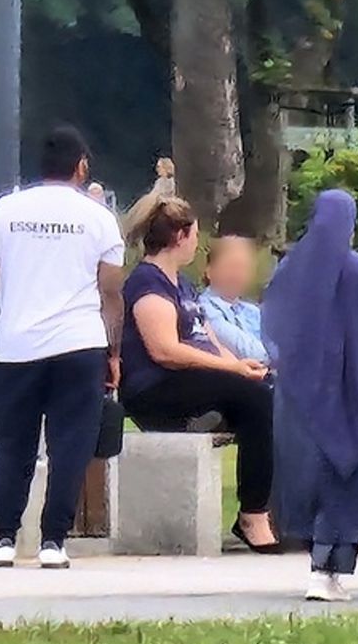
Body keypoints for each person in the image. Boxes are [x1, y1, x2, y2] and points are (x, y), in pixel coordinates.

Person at [0, 126, 124, 570]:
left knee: (14, 445)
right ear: (81, 167)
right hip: (79, 344)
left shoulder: (8, 209)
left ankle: (2, 539)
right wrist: (113, 354)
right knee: (69, 446)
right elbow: (110, 289)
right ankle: (54, 542)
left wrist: (15, 282)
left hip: (18, 346)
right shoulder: (97, 217)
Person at [262, 190, 358, 600]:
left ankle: (317, 563)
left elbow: (274, 327)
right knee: (353, 479)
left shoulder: (290, 270)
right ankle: (330, 569)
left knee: (311, 481)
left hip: (299, 399)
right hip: (354, 393)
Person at [117, 198, 279, 552]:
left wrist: (243, 368)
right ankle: (253, 515)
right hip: (155, 389)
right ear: (180, 235)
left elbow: (208, 339)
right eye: (194, 234)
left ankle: (267, 508)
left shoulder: (182, 285)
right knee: (256, 399)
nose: (196, 242)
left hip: (193, 381)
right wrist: (232, 369)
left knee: (264, 394)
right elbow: (165, 350)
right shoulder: (148, 283)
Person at [197, 235, 270, 365]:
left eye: (244, 268)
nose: (237, 275)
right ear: (209, 270)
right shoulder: (203, 308)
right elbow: (247, 351)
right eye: (231, 266)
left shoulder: (253, 311)